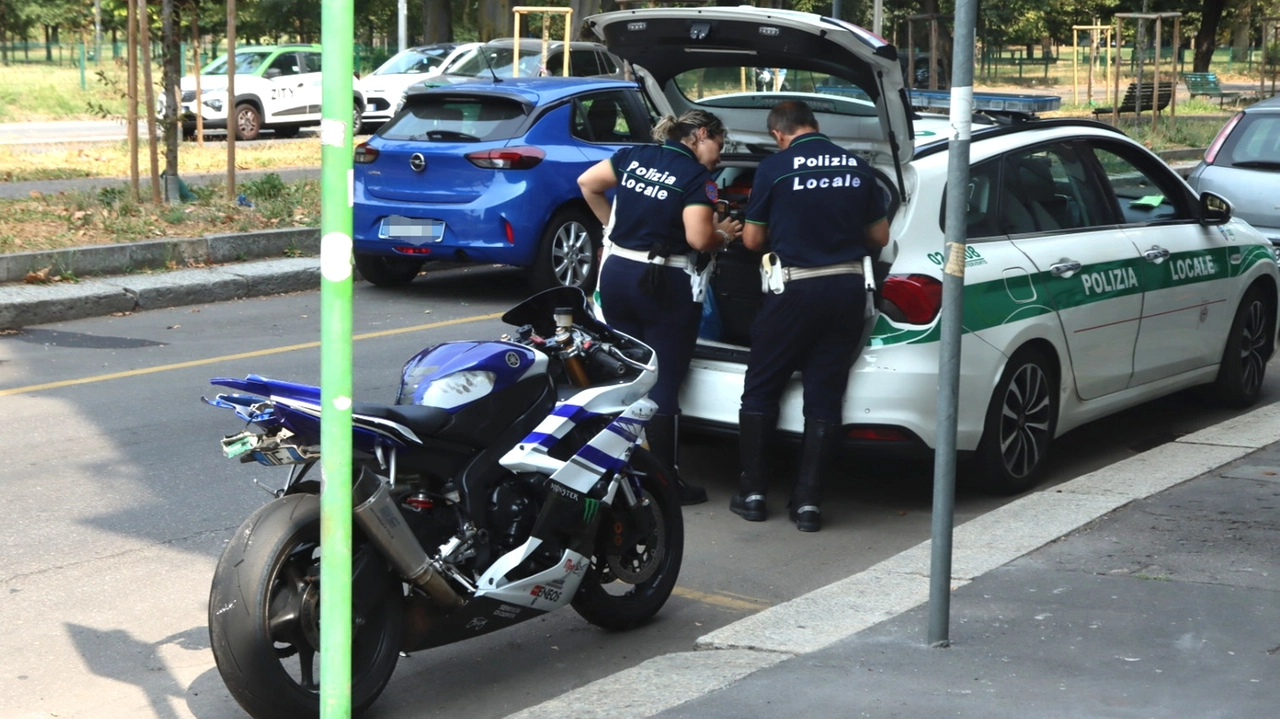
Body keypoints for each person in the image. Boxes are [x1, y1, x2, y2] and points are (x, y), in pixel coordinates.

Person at [730, 100, 889, 532]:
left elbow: (753, 240)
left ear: (778, 134)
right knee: (824, 396)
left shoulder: (775, 169)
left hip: (794, 289)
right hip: (846, 289)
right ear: (815, 125)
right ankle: (808, 504)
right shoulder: (859, 168)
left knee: (762, 387)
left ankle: (755, 493)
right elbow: (879, 234)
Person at [577, 110, 742, 506]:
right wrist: (726, 234)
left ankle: (615, 470)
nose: (719, 157)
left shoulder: (632, 155)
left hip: (616, 273)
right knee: (662, 381)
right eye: (719, 146)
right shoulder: (695, 179)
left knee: (628, 374)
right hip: (662, 283)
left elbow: (588, 183)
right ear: (702, 134)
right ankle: (666, 484)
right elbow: (699, 238)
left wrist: (610, 230)